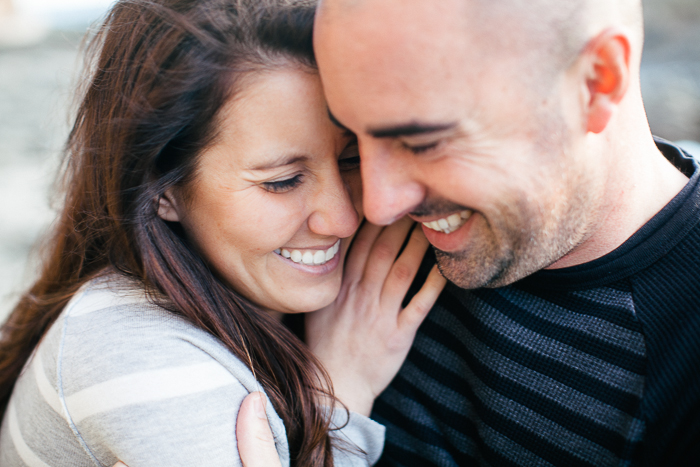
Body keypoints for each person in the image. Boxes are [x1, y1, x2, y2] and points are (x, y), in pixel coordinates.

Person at [237, 0, 700, 465]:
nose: (376, 206)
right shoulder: (325, 236)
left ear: (598, 81)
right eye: (354, 145)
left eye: (423, 143)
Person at [0, 0, 445, 466]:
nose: (344, 219)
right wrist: (342, 394)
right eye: (282, 181)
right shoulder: (144, 364)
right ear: (162, 188)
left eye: (350, 160)